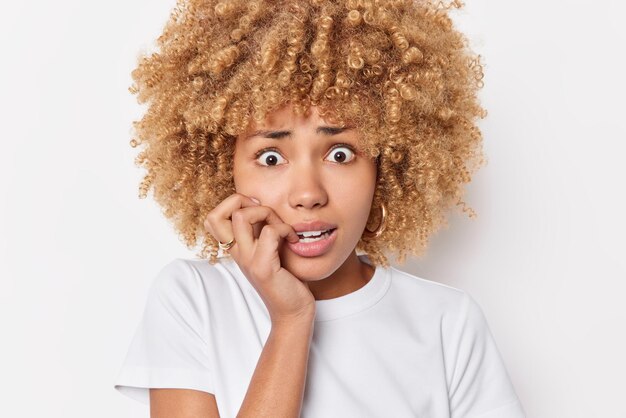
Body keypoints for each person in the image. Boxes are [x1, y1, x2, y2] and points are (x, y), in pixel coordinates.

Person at [114, 0, 526, 416]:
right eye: (272, 157)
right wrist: (291, 319)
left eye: (341, 154)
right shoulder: (194, 298)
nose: (308, 193)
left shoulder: (447, 323)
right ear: (223, 167)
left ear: (387, 164)